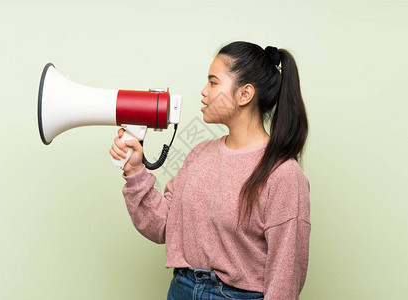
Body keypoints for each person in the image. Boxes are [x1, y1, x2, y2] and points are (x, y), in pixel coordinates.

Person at [109, 41, 310, 300]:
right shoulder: (199, 154)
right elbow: (163, 227)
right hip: (181, 289)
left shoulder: (284, 174)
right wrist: (135, 171)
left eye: (213, 83)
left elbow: (285, 277)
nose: (203, 91)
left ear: (245, 94)